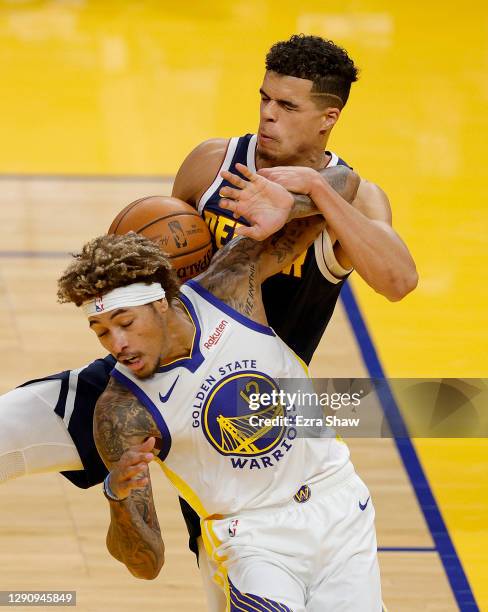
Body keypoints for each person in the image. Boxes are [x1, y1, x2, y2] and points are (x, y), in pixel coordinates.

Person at [0, 33, 416, 608]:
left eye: (288, 106)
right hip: (151, 370)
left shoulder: (351, 200)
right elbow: (155, 275)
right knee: (8, 426)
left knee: (229, 559)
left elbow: (398, 280)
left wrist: (310, 196)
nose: (268, 115)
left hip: (248, 405)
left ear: (329, 117)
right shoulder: (211, 164)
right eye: (264, 98)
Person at [56, 162, 382, 611]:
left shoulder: (229, 285)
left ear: (160, 301)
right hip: (252, 540)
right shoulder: (123, 411)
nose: (118, 344)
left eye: (126, 323)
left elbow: (345, 181)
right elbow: (146, 564)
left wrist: (291, 203)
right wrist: (118, 494)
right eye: (102, 332)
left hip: (339, 502)